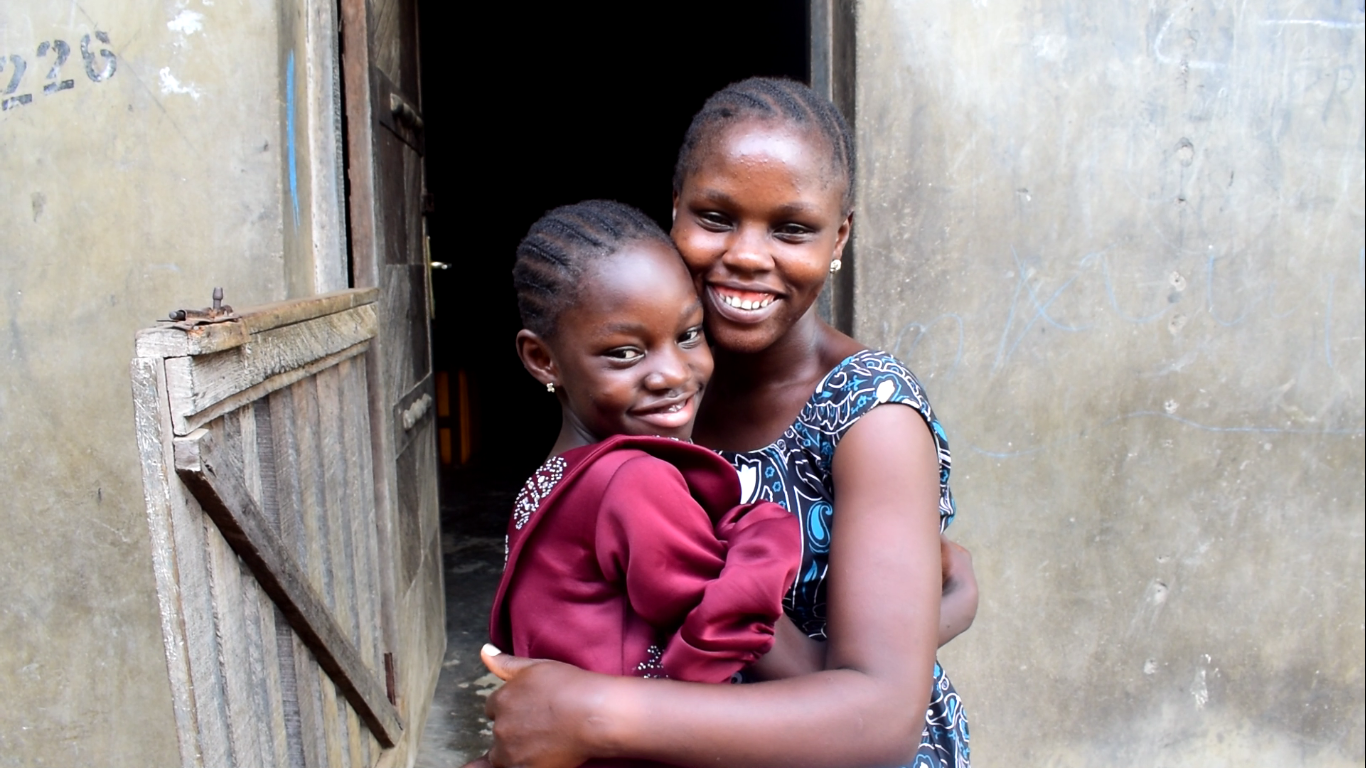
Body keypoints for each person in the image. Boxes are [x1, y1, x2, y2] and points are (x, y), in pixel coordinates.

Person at [478, 78, 978, 768]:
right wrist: (946, 612)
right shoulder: (650, 388)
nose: (746, 254)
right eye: (715, 217)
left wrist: (592, 713)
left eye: (792, 228)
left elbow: (881, 718)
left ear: (841, 237)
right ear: (675, 209)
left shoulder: (870, 416)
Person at [494, 200, 802, 696]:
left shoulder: (552, 478)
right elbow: (742, 641)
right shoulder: (633, 481)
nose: (674, 375)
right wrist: (764, 532)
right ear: (542, 359)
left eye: (689, 335)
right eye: (624, 353)